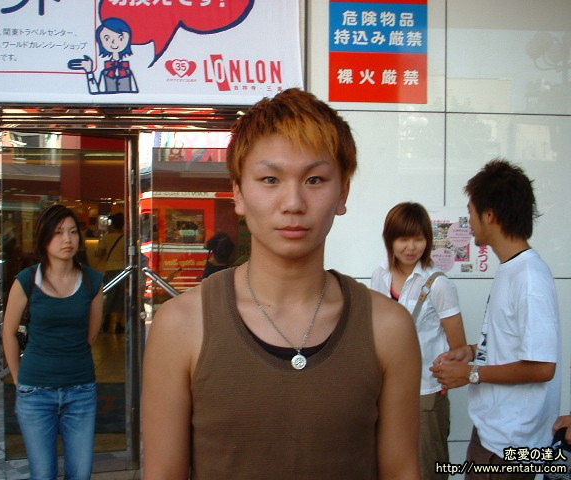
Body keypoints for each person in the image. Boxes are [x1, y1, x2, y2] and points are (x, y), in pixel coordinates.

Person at [142, 88, 422, 479]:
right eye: (270, 179)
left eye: (315, 179)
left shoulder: (388, 328)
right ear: (238, 193)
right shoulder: (181, 326)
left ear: (343, 192)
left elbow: (402, 469)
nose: (293, 203)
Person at [431, 159, 560, 480]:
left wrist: (470, 374)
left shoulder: (530, 278)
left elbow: (542, 367)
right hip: (493, 434)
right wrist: (472, 351)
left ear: (489, 215)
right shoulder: (511, 269)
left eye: (471, 211)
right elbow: (513, 343)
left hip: (510, 447)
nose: (469, 221)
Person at [2, 204, 104, 480]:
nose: (67, 239)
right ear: (44, 237)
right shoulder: (26, 280)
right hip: (35, 392)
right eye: (58, 233)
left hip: (80, 391)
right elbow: (9, 332)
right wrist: (18, 379)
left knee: (80, 473)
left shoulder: (92, 281)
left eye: (73, 232)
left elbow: (91, 335)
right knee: (43, 473)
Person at [371, 202, 466, 480]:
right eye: (403, 238)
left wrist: (445, 375)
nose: (411, 247)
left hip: (425, 392)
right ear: (389, 239)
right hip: (385, 392)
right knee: (389, 465)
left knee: (428, 466)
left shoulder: (438, 284)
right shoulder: (380, 276)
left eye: (419, 238)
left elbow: (459, 347)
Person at [98, 212, 125, 333]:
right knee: (120, 297)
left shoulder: (106, 237)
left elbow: (100, 253)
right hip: (123, 271)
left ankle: (105, 322)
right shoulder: (125, 238)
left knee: (109, 295)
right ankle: (119, 324)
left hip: (110, 268)